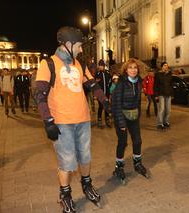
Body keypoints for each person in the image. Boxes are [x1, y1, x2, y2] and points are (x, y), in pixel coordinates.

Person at [35, 26, 109, 212]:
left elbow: (92, 84)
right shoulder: (48, 64)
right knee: (67, 162)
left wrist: (105, 102)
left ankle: (86, 185)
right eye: (79, 45)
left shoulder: (80, 65)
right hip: (61, 123)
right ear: (68, 44)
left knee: (85, 157)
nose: (81, 49)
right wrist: (48, 121)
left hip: (83, 120)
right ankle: (65, 194)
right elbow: (40, 96)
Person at [111, 58, 149, 184]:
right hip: (121, 116)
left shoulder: (138, 82)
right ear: (126, 70)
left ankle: (137, 163)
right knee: (123, 143)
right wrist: (121, 123)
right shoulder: (121, 83)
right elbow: (116, 104)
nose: (133, 70)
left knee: (137, 141)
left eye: (135, 67)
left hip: (133, 116)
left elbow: (138, 101)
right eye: (130, 68)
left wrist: (138, 114)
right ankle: (119, 167)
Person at [154, 62, 174, 131]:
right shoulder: (158, 74)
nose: (166, 67)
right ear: (162, 67)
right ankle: (160, 123)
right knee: (161, 109)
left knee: (168, 110)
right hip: (161, 93)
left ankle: (166, 122)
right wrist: (156, 95)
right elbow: (155, 85)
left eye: (167, 66)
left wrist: (172, 94)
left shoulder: (169, 74)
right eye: (165, 65)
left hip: (168, 94)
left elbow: (171, 85)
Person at [95, 59, 112, 128]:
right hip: (100, 94)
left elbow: (110, 82)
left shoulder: (107, 73)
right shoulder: (97, 74)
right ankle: (99, 120)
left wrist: (109, 90)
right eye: (100, 65)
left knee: (106, 106)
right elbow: (95, 84)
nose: (101, 67)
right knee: (101, 107)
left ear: (104, 66)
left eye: (102, 66)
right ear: (99, 66)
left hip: (106, 93)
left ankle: (107, 119)